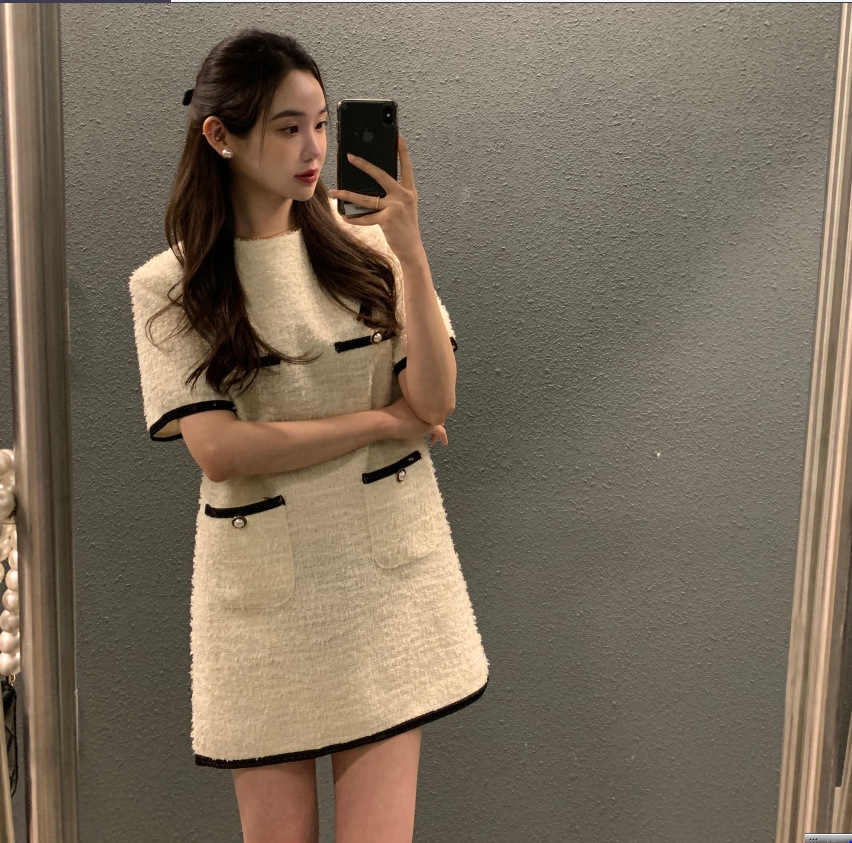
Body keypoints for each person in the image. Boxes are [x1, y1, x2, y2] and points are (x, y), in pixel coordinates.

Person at [127, 28, 489, 843]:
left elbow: (436, 397)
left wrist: (413, 255)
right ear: (220, 135)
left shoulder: (370, 248)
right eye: (288, 128)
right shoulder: (170, 285)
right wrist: (383, 422)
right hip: (263, 606)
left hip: (387, 585)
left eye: (321, 124)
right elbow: (220, 452)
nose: (315, 149)